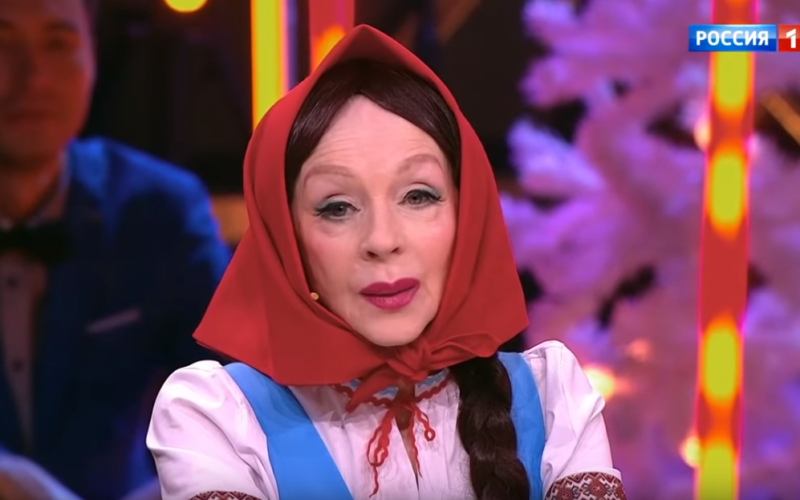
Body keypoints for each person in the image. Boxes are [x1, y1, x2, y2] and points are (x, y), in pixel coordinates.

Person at [147, 25, 625, 500]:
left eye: (418, 196)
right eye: (337, 207)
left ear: (468, 213)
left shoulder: (551, 396)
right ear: (287, 238)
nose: (381, 240)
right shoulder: (219, 416)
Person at [0, 0, 230, 499]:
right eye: (2, 43)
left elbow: (243, 401)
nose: (33, 77)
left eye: (57, 43)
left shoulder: (159, 209)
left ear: (93, 56)